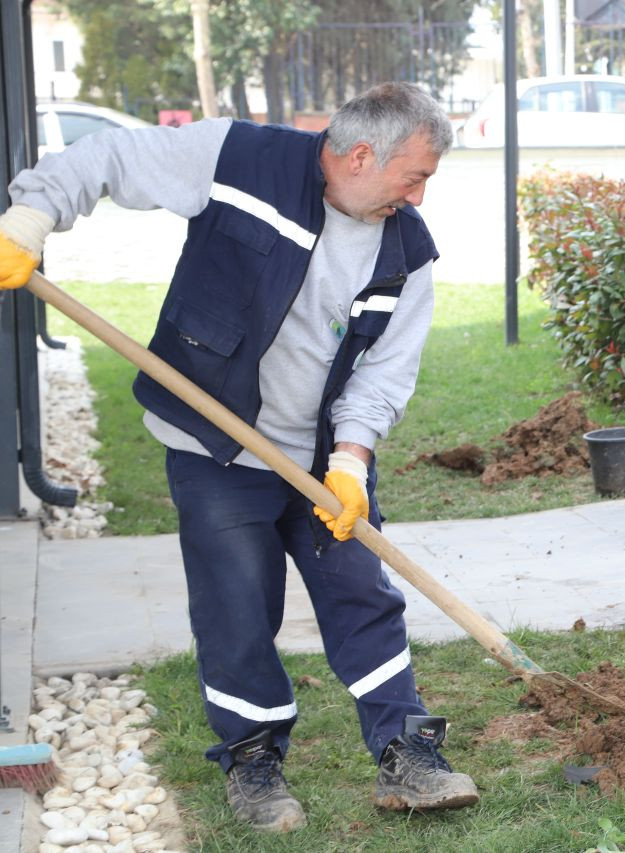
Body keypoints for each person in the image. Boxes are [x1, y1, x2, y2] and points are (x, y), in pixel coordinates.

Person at [0, 83, 478, 831]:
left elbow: (384, 372)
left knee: (362, 593)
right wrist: (31, 215)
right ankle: (254, 761)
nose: (418, 196)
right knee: (236, 605)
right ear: (360, 155)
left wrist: (350, 462)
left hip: (321, 458)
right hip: (215, 443)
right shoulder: (234, 158)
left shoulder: (407, 251)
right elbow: (110, 154)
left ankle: (405, 750)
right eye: (414, 176)